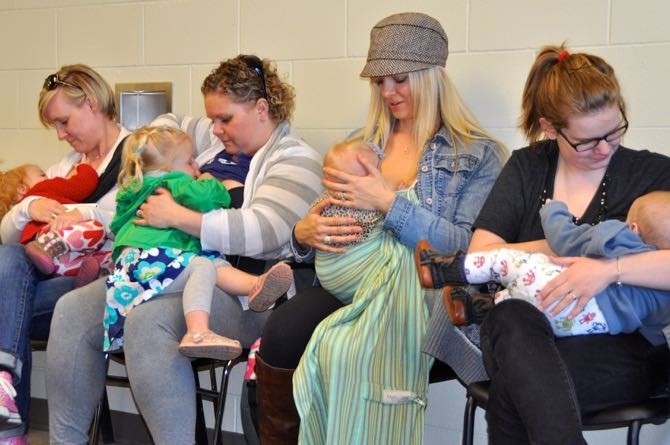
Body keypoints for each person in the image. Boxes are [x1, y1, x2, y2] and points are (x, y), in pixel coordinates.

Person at [46, 54, 323, 444]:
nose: (215, 128)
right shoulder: (212, 142)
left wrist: (177, 216)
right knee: (72, 310)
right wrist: (169, 158)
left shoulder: (297, 160)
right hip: (167, 268)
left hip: (249, 291)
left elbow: (266, 230)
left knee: (149, 320)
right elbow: (165, 126)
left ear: (262, 109)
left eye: (225, 119)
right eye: (211, 118)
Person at [256, 12, 506, 445]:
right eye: (379, 81)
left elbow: (467, 251)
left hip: (419, 289)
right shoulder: (359, 143)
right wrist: (304, 235)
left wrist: (387, 203)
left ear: (431, 76)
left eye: (400, 79)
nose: (387, 92)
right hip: (351, 280)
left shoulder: (478, 155)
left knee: (347, 352)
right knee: (280, 333)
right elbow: (327, 224)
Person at [462, 44, 670, 444]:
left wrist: (610, 270)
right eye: (589, 142)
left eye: (614, 131)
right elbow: (481, 258)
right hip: (524, 333)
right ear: (551, 129)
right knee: (509, 318)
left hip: (620, 347)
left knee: (516, 392)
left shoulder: (653, 174)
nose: (606, 148)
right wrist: (577, 249)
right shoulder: (527, 168)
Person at [0, 64, 130, 443]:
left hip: (105, 283)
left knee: (7, 304)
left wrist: (83, 212)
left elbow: (136, 216)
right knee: (8, 261)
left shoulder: (139, 153)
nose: (60, 135)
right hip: (49, 285)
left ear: (90, 103)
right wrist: (27, 209)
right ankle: (4, 384)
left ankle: (9, 431)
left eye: (64, 122)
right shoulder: (67, 168)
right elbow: (7, 238)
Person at [103, 125, 293, 360]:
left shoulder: (131, 189)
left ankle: (255, 285)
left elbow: (116, 224)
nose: (196, 167)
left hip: (135, 261)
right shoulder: (174, 182)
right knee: (203, 266)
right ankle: (198, 331)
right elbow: (210, 198)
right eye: (190, 161)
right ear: (166, 168)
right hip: (152, 258)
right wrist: (211, 181)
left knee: (211, 263)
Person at [416, 192, 670, 343]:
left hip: (553, 286)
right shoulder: (662, 289)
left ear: (633, 228)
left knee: (504, 260)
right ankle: (469, 308)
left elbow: (564, 241)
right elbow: (653, 333)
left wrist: (554, 211)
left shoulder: (618, 236)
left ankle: (441, 269)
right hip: (574, 326)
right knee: (517, 302)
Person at [0, 163, 108, 288]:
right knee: (96, 228)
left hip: (48, 252)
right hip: (56, 231)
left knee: (61, 266)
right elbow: (82, 185)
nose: (49, 177)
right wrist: (82, 167)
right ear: (22, 189)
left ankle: (90, 267)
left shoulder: (21, 217)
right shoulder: (44, 187)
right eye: (43, 175)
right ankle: (47, 247)